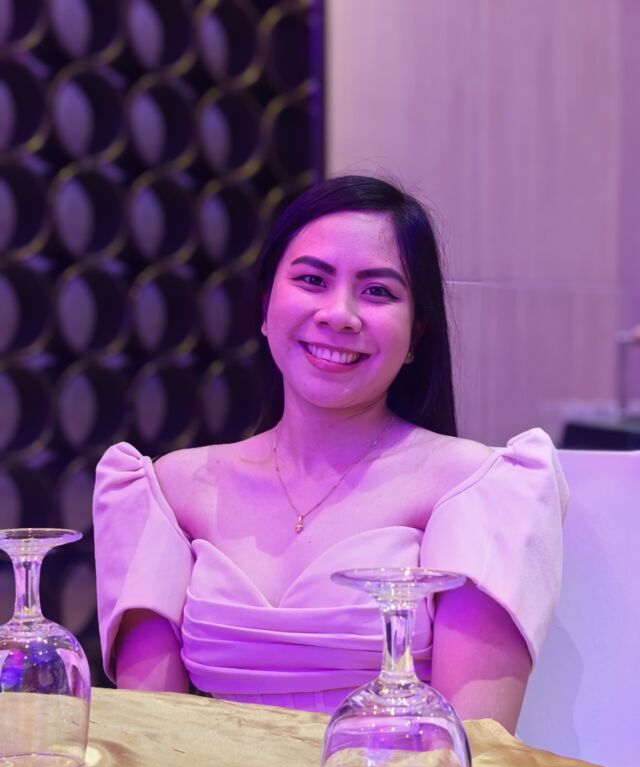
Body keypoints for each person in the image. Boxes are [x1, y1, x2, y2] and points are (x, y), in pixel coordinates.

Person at [93, 175, 568, 733]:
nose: (340, 314)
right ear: (266, 306)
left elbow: (473, 750)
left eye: (378, 292)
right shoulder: (169, 490)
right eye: (312, 280)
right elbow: (151, 735)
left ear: (416, 335)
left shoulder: (475, 488)